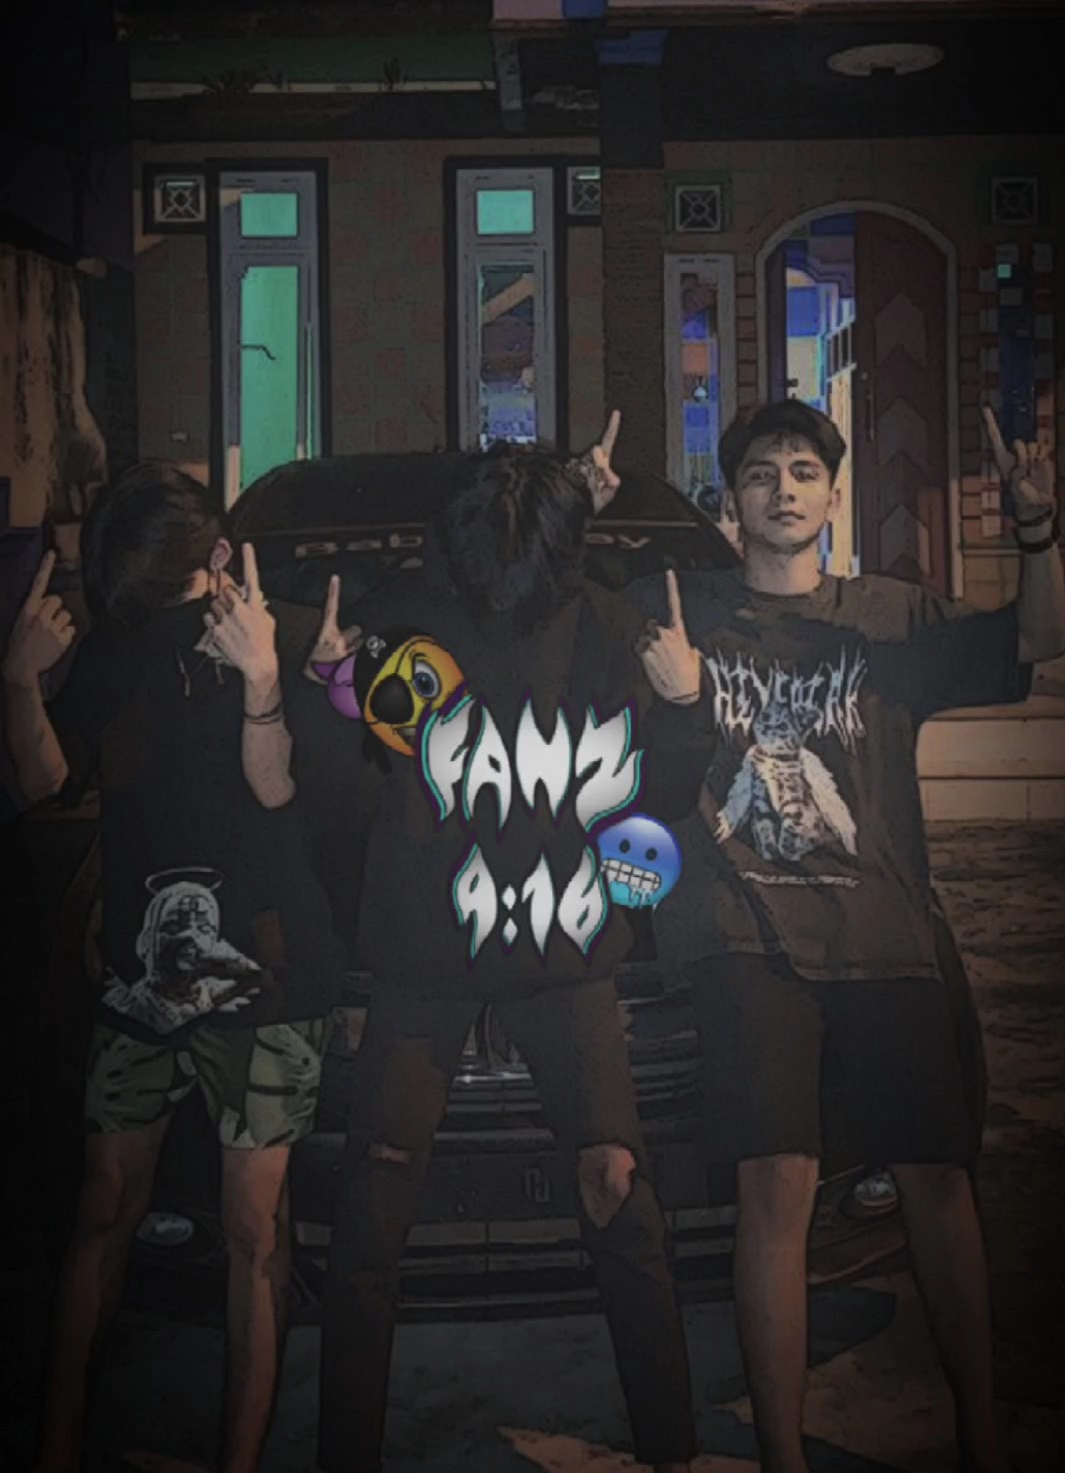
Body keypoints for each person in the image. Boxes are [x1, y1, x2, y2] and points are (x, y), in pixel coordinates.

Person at [629, 398, 1065, 1473]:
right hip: (748, 941)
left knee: (937, 1182)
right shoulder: (683, 611)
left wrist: (1037, 528)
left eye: (802, 472)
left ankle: (982, 1431)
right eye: (761, 474)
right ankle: (783, 1454)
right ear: (731, 502)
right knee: (776, 1186)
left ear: (832, 497)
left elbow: (1040, 640)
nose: (783, 489)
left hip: (884, 937)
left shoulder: (889, 617)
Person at [297, 426, 717, 1473]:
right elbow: (340, 803)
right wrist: (325, 694)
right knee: (372, 1217)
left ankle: (672, 1447)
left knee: (620, 1193)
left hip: (566, 957)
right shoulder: (399, 623)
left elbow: (663, 799)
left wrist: (683, 709)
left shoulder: (611, 626)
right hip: (423, 963)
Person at [2, 461, 346, 1473]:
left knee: (253, 1226)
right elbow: (44, 781)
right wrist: (17, 681)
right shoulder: (119, 645)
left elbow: (280, 796)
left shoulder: (285, 633)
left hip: (269, 973)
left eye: (172, 587)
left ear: (221, 558)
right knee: (104, 1202)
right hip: (140, 976)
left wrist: (268, 680)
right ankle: (58, 1445)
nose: (159, 611)